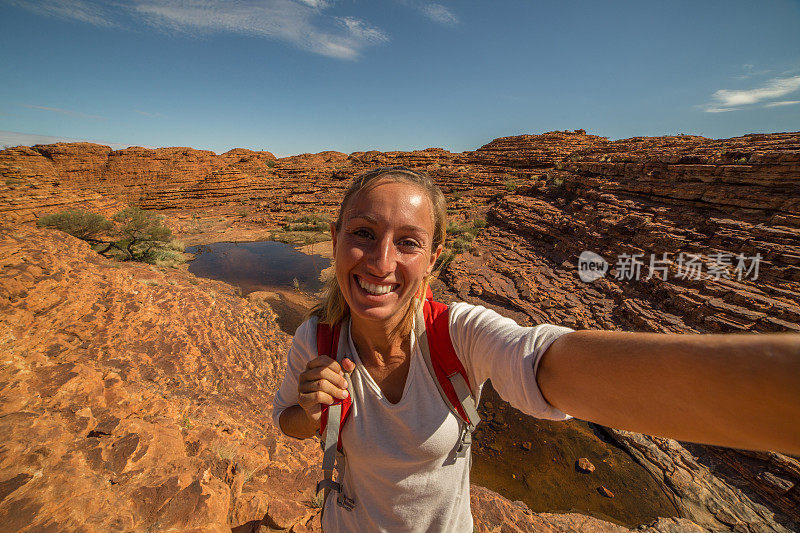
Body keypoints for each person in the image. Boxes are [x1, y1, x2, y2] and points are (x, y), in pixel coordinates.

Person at [272, 166, 800, 532]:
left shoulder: (455, 335)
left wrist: (773, 388)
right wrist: (311, 409)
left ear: (433, 259)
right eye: (363, 233)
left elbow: (538, 359)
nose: (382, 263)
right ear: (336, 236)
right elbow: (288, 422)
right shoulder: (316, 338)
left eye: (408, 242)